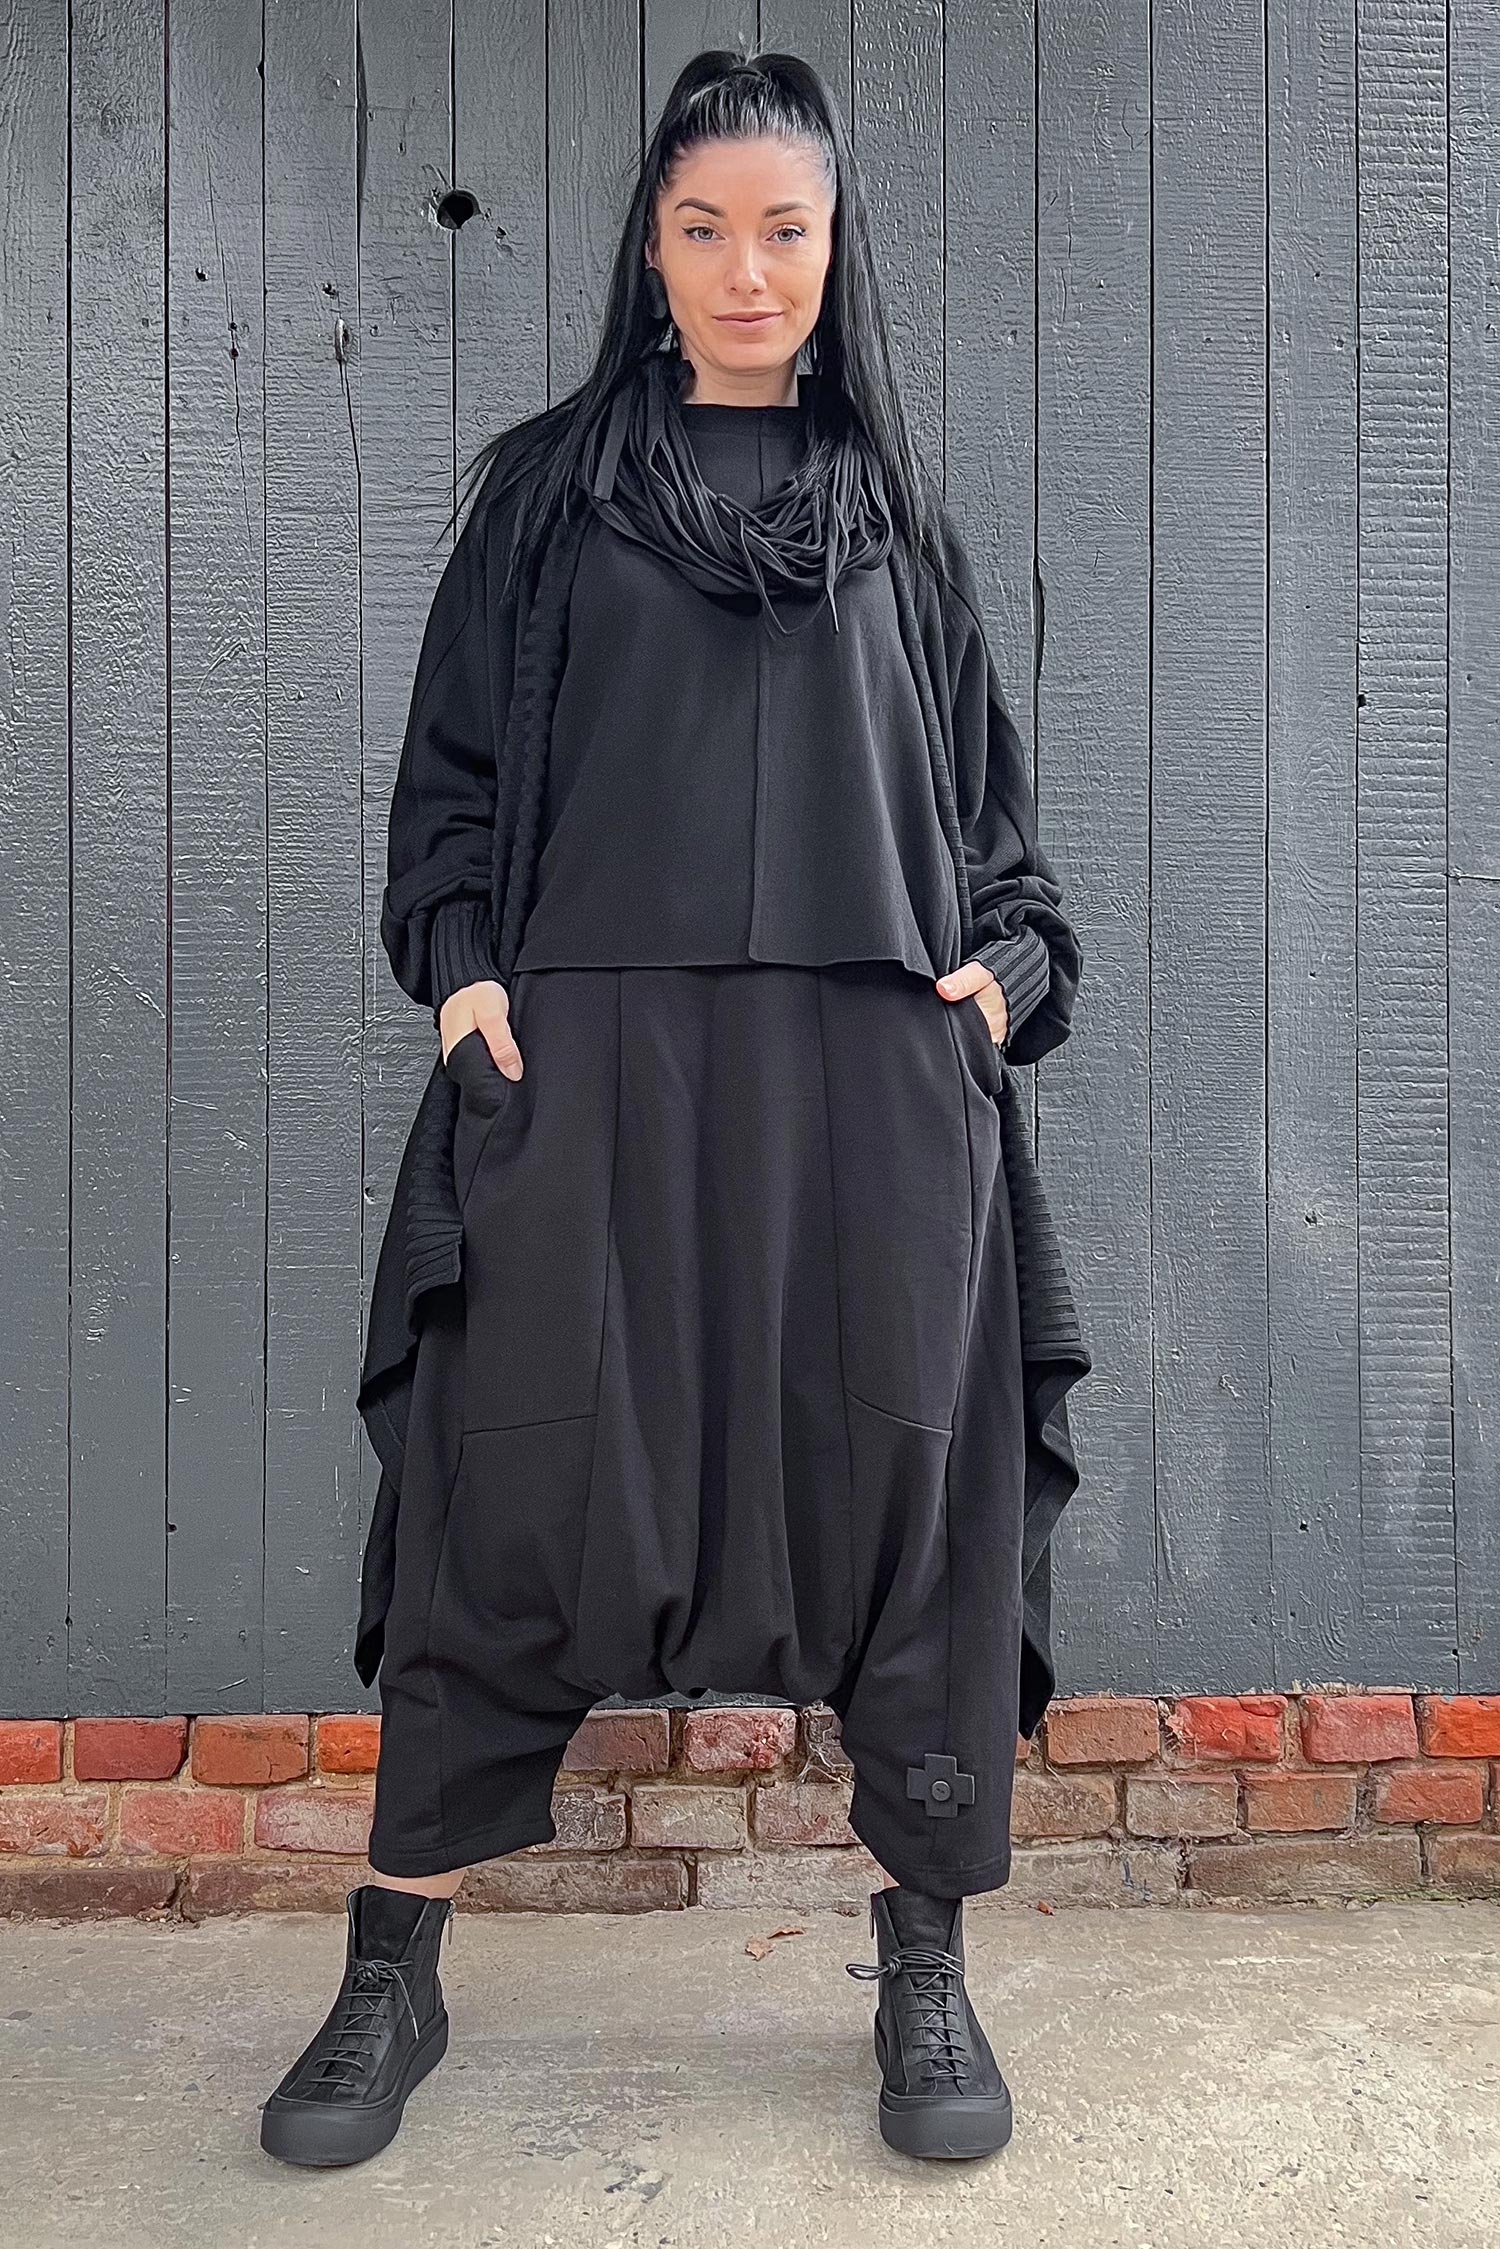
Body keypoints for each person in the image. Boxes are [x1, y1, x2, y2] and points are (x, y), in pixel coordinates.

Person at [259, 45, 1089, 2172]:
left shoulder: (899, 518)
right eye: (706, 227)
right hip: (595, 1085)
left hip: (865, 1097)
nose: (746, 270)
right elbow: (449, 797)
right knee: (504, 1503)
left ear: (833, 246)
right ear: (652, 245)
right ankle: (389, 1972)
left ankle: (923, 1965)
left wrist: (1001, 984)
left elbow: (1000, 853)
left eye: (785, 230)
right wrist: (464, 983)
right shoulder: (548, 502)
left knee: (903, 1508)